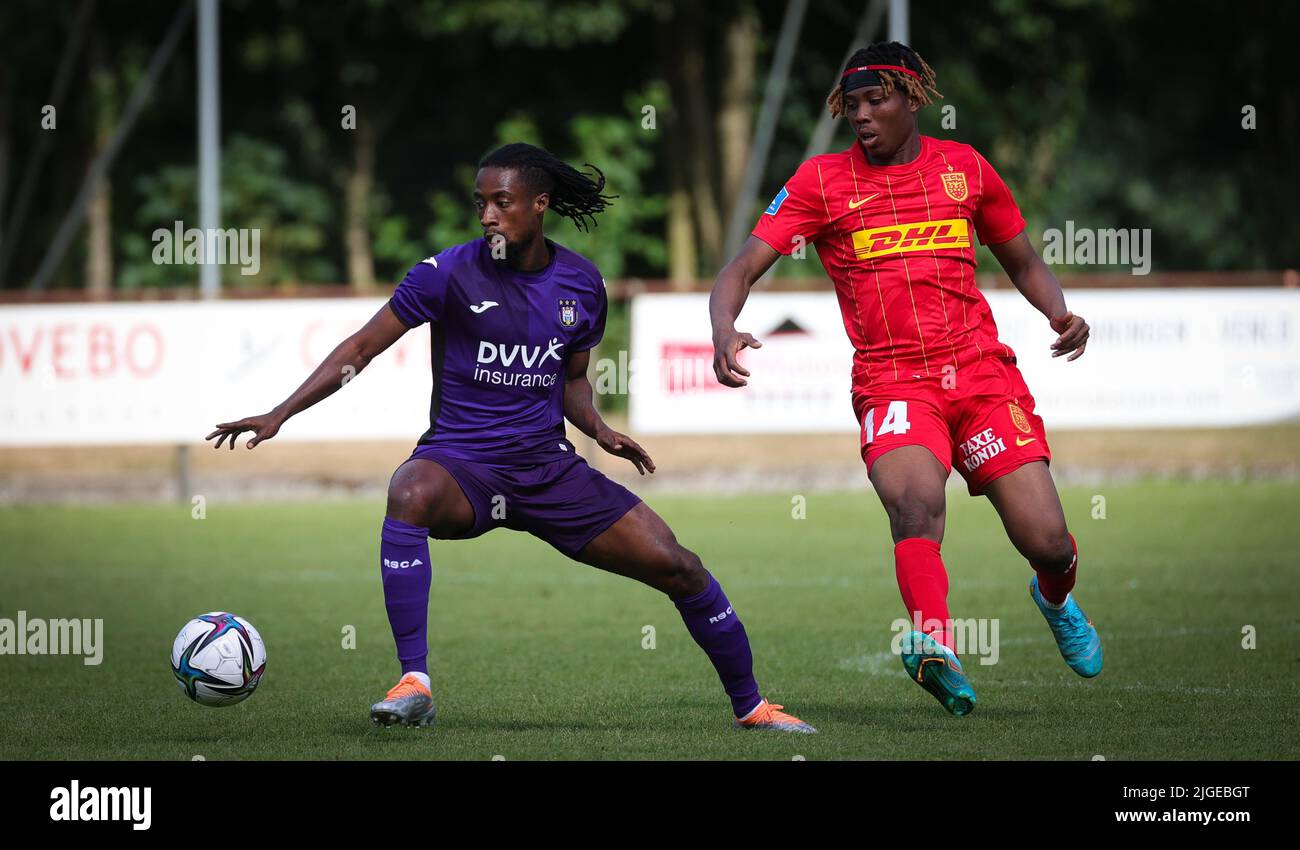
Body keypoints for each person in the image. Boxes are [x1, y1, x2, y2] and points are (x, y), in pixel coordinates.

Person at [207, 142, 813, 733]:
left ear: (540, 204)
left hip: (548, 471)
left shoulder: (581, 284)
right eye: (481, 204)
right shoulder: (445, 274)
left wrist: (598, 429)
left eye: (502, 202)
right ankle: (413, 682)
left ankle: (752, 707)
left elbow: (572, 381)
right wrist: (280, 413)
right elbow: (361, 347)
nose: (489, 215)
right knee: (408, 491)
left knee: (680, 566)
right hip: (463, 466)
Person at [708, 43, 1102, 716]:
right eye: (851, 105)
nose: (861, 116)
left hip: (981, 376)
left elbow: (1021, 256)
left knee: (1049, 541)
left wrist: (1060, 313)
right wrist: (723, 328)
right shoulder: (820, 182)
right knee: (914, 504)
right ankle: (934, 643)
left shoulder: (966, 169)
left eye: (875, 101)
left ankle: (1055, 596)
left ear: (913, 99)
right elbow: (741, 267)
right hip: (894, 382)